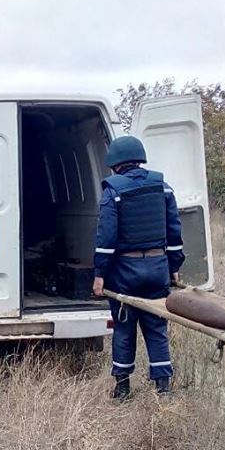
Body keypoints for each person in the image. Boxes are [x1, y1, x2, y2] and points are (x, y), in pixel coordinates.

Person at [92, 136, 185, 400]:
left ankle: (122, 388)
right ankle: (163, 388)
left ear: (115, 164)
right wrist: (173, 266)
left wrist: (99, 274)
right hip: (157, 268)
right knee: (156, 327)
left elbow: (106, 238)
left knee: (123, 327)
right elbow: (174, 230)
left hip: (124, 272)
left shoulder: (113, 191)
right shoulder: (162, 187)